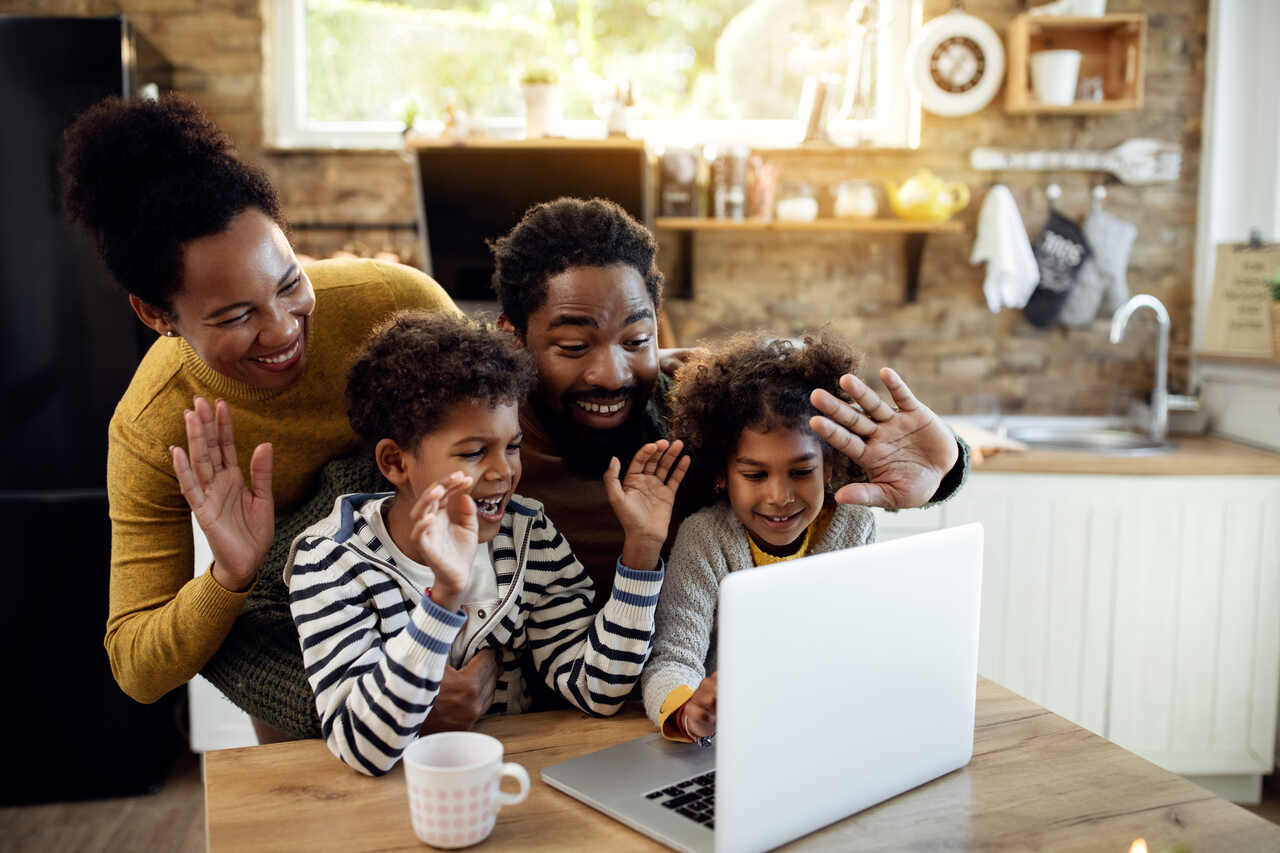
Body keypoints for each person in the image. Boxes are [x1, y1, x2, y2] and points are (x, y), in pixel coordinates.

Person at [60, 94, 492, 740]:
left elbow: (498, 441)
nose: (284, 328)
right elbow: (136, 664)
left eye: (290, 282)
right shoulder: (154, 428)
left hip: (458, 621)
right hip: (303, 668)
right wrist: (229, 575)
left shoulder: (394, 303)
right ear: (157, 315)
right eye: (236, 316)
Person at [489, 197, 969, 606]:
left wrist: (945, 468)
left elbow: (829, 455)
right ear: (512, 337)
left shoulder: (697, 406)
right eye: (574, 347)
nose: (613, 375)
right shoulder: (475, 438)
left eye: (637, 340)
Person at [284, 312, 688, 775]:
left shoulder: (528, 535)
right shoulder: (330, 563)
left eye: (511, 446)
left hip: (515, 782)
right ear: (396, 462)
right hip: (392, 804)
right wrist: (443, 600)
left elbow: (597, 690)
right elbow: (363, 749)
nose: (504, 472)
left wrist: (641, 546)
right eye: (474, 452)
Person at [641, 330, 882, 742]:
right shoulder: (706, 539)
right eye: (755, 475)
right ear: (722, 474)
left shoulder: (854, 525)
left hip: (821, 729)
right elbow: (671, 659)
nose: (780, 497)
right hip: (733, 738)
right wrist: (688, 706)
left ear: (829, 465)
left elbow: (860, 644)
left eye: (802, 472)